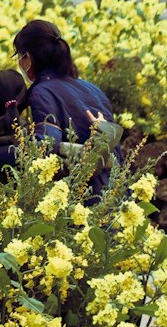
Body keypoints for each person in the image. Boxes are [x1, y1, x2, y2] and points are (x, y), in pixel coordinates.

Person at [12, 18, 122, 196]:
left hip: (83, 201)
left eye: (19, 56)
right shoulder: (92, 89)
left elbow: (46, 146)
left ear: (27, 58)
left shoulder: (41, 92)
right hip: (115, 194)